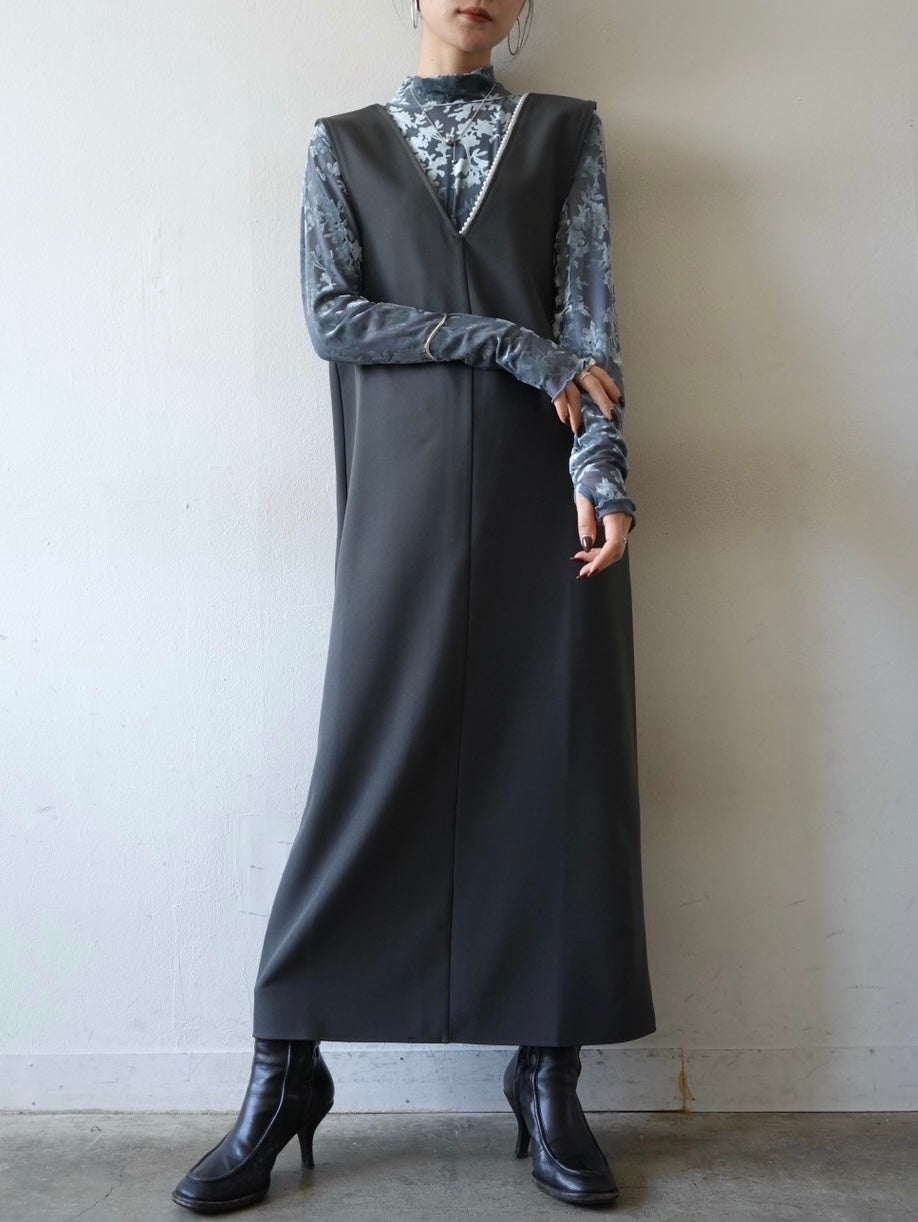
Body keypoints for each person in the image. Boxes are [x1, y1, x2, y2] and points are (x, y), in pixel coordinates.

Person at [172, 0, 655, 1212]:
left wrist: (603, 472)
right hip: (399, 504)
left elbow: (589, 324)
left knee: (551, 777)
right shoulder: (341, 144)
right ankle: (287, 1067)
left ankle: (546, 1075)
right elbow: (332, 317)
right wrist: (510, 345)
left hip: (545, 507)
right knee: (368, 767)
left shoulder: (565, 134)